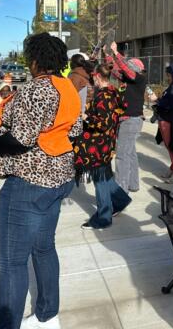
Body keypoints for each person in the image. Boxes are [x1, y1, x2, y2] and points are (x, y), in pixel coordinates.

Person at [0, 32, 82, 329]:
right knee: (44, 248)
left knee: (12, 263)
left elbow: (19, 140)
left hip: (29, 181)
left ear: (34, 61)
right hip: (59, 177)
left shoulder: (36, 90)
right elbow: (74, 131)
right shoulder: (68, 87)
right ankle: (48, 316)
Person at [74, 63, 131, 229]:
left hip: (98, 145)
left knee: (100, 180)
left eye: (94, 77)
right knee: (105, 176)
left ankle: (104, 217)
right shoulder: (113, 91)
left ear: (98, 76)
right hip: (106, 142)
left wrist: (85, 116)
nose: (93, 80)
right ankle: (120, 201)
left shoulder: (104, 96)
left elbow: (103, 123)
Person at [105, 41, 147, 193]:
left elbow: (123, 68)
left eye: (129, 66)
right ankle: (133, 184)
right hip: (130, 120)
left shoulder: (138, 78)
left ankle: (120, 193)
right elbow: (115, 69)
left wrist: (116, 53)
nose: (125, 68)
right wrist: (107, 56)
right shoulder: (128, 79)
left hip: (130, 120)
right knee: (130, 153)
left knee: (122, 156)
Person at [67, 53, 90, 118]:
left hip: (77, 113)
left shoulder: (73, 77)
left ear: (73, 63)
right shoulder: (88, 72)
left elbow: (69, 97)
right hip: (87, 111)